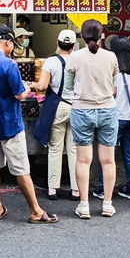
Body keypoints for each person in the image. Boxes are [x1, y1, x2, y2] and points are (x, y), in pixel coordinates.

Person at [0, 26, 58, 224]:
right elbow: (19, 94)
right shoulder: (9, 64)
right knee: (21, 168)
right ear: (7, 42)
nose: (13, 48)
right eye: (12, 45)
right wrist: (25, 86)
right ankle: (36, 211)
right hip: (9, 124)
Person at [65, 20, 119, 219]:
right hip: (107, 109)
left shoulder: (75, 57)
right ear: (101, 35)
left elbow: (69, 86)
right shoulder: (111, 56)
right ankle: (107, 204)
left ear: (82, 36)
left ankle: (84, 205)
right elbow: (114, 86)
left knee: (83, 160)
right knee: (108, 160)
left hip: (82, 110)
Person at [93, 36, 130, 201]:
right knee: (129, 153)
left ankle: (102, 188)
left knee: (108, 155)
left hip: (116, 117)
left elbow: (111, 92)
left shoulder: (115, 71)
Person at [35, 29, 78, 201]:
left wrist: (34, 84)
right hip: (76, 108)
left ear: (57, 43)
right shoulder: (80, 60)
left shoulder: (51, 61)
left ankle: (53, 189)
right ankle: (76, 190)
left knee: (55, 149)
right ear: (74, 46)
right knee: (74, 150)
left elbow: (42, 86)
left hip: (57, 108)